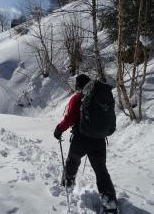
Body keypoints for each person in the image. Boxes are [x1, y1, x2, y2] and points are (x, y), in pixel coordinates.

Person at [53, 74, 117, 214]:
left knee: (72, 161)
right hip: (99, 140)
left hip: (80, 139)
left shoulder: (77, 98)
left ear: (78, 86)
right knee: (101, 171)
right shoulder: (99, 97)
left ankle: (67, 184)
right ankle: (110, 203)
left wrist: (59, 129)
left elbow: (69, 118)